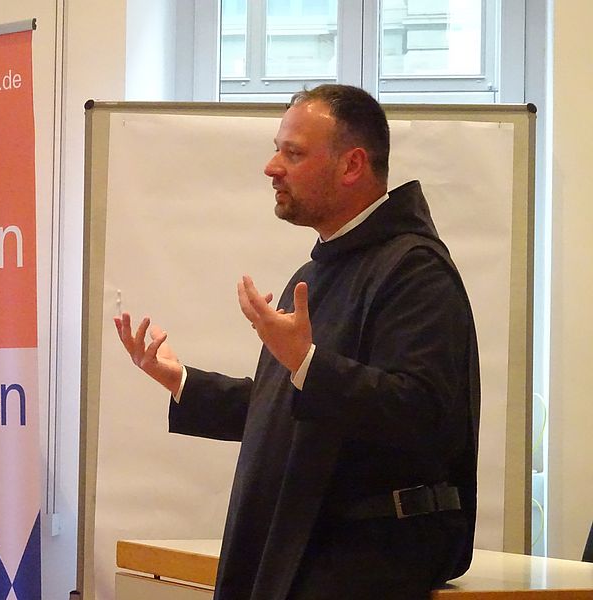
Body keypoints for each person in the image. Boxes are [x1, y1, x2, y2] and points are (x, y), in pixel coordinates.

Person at [114, 84, 480, 600]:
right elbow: (286, 409)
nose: (272, 167)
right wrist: (184, 383)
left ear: (352, 165)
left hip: (367, 560)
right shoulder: (317, 272)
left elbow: (421, 413)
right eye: (277, 150)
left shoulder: (414, 271)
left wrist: (307, 363)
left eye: (293, 153)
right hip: (305, 548)